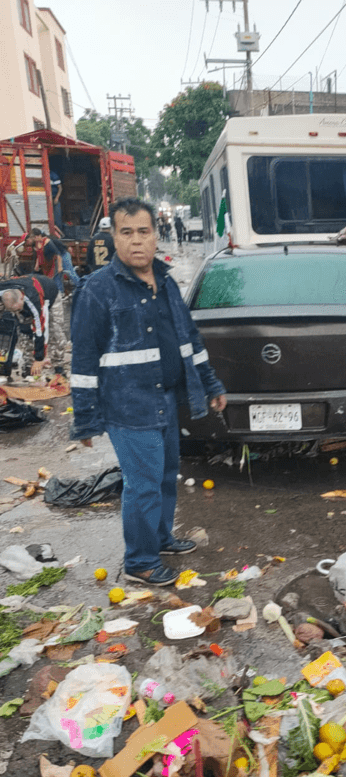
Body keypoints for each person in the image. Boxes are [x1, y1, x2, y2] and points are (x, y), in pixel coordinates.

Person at [70, 196, 227, 587]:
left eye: (144, 231)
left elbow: (189, 339)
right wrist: (85, 419)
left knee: (165, 476)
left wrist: (211, 383)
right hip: (127, 406)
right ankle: (140, 561)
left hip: (165, 400)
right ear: (114, 238)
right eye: (127, 233)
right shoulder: (98, 291)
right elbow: (84, 360)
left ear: (157, 236)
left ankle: (160, 539)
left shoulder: (167, 282)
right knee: (142, 486)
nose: (136, 241)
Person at [0, 274, 67, 377]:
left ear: (22, 298)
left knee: (56, 331)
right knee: (25, 331)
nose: (18, 312)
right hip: (24, 290)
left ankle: (58, 365)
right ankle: (28, 365)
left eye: (18, 309)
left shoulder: (32, 298)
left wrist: (39, 358)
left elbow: (40, 328)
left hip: (49, 294)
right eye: (14, 310)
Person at [27, 229, 80, 295]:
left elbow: (59, 250)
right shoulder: (36, 244)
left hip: (63, 254)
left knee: (69, 271)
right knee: (57, 276)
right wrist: (37, 266)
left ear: (38, 236)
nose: (30, 240)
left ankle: (80, 286)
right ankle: (60, 293)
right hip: (55, 259)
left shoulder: (49, 240)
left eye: (32, 238)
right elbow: (39, 255)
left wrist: (60, 266)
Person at [50, 170, 64, 234]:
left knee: (57, 217)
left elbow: (60, 188)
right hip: (47, 200)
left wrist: (56, 198)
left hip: (54, 198)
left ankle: (59, 233)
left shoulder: (53, 175)